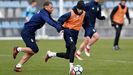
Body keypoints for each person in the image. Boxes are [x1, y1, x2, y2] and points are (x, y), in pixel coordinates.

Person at [13, 1, 62, 72]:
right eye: (51, 7)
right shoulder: (43, 13)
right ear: (46, 7)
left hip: (30, 32)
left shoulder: (46, 13)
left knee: (31, 52)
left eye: (53, 7)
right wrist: (59, 29)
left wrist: (61, 27)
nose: (52, 9)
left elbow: (52, 21)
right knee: (35, 50)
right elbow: (49, 21)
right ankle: (17, 49)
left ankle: (18, 66)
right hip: (27, 32)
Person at [44, 1, 85, 74]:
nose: (80, 11)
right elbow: (59, 21)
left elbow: (86, 22)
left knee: (68, 55)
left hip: (75, 34)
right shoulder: (70, 13)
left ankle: (50, 54)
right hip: (67, 31)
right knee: (73, 47)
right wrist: (61, 29)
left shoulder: (84, 13)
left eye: (81, 9)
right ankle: (72, 68)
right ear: (77, 7)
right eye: (79, 9)